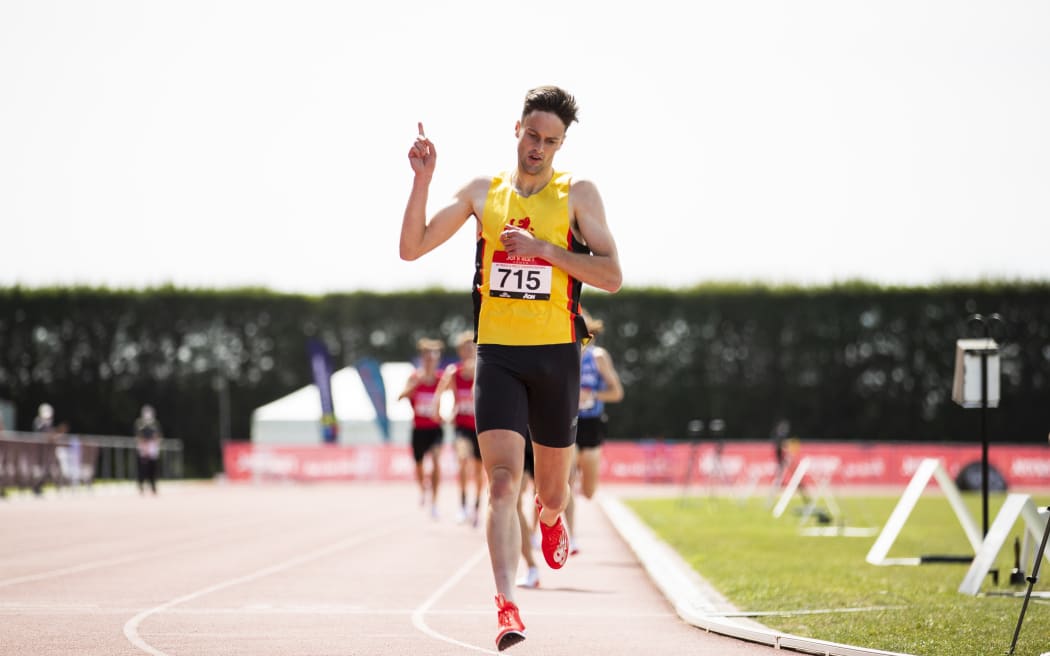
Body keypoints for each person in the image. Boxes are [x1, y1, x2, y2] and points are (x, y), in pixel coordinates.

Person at [400, 85, 622, 651]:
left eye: (551, 141)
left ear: (561, 143)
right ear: (516, 129)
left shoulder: (578, 194)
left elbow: (611, 275)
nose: (538, 148)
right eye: (532, 135)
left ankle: (550, 516)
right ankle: (506, 606)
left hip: (556, 358)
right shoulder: (483, 193)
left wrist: (544, 250)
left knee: (551, 491)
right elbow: (412, 247)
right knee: (502, 484)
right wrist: (423, 180)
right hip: (497, 356)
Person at [564, 309, 624, 555]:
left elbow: (617, 393)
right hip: (568, 422)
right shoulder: (563, 355)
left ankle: (575, 490)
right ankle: (571, 536)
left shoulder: (599, 358)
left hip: (593, 423)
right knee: (566, 480)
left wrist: (593, 395)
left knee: (588, 491)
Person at [438, 330, 484, 527]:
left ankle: (476, 507)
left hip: (481, 426)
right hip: (461, 426)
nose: (469, 351)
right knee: (463, 462)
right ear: (460, 352)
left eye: (472, 347)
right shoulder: (454, 373)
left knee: (479, 470)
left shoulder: (485, 370)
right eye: (465, 349)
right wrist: (442, 411)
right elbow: (439, 392)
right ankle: (463, 506)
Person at [398, 337, 446, 519]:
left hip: (435, 428)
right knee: (418, 466)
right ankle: (422, 489)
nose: (429, 360)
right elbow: (400, 397)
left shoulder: (442, 379)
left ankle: (434, 502)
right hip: (418, 429)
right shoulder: (414, 377)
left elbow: (452, 397)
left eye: (433, 357)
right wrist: (412, 387)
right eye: (426, 357)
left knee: (435, 460)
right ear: (422, 358)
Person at [134, 405, 163, 495]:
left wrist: (156, 446)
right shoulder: (139, 423)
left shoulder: (155, 424)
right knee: (142, 468)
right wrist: (143, 446)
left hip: (152, 447)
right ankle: (141, 485)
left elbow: (158, 436)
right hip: (143, 447)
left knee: (153, 468)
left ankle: (153, 485)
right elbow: (138, 436)